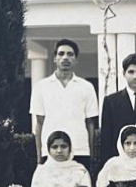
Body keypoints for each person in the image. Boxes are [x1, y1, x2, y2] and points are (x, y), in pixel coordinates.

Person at [29, 39, 98, 171]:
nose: (65, 57)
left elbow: (91, 124)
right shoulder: (41, 87)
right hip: (51, 151)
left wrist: (91, 155)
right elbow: (39, 124)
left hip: (80, 150)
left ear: (76, 59)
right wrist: (39, 157)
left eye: (70, 54)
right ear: (55, 58)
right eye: (61, 54)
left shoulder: (87, 87)